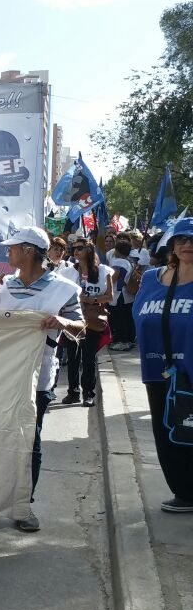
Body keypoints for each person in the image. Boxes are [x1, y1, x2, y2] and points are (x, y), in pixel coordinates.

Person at [0, 226, 85, 533]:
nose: (7, 252)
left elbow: (81, 329)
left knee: (30, 441)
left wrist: (63, 321)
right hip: (0, 377)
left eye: (12, 248)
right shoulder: (2, 288)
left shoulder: (63, 289)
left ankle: (23, 505)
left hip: (39, 378)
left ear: (28, 251)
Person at [132, 217, 193, 513]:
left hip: (191, 371)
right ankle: (182, 491)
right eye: (182, 240)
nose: (188, 245)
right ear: (172, 245)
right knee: (166, 430)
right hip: (158, 370)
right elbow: (138, 314)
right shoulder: (151, 278)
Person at [58, 240, 113, 406]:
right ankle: (73, 392)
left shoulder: (104, 271)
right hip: (72, 318)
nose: (75, 251)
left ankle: (89, 393)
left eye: (79, 248)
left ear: (89, 250)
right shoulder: (67, 272)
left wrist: (91, 299)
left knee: (88, 358)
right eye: (73, 248)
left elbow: (109, 296)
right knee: (73, 358)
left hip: (92, 319)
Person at [108, 239, 138, 351]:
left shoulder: (118, 262)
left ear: (117, 250)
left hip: (119, 295)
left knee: (119, 319)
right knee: (127, 319)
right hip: (128, 295)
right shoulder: (130, 261)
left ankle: (122, 341)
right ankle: (129, 340)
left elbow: (113, 278)